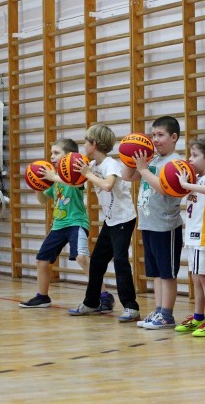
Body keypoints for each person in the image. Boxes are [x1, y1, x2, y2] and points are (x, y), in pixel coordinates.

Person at [67, 124, 140, 322]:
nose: (83, 145)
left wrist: (88, 174)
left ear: (94, 144)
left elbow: (108, 185)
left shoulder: (110, 164)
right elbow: (74, 182)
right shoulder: (93, 165)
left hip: (124, 219)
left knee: (120, 260)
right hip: (111, 220)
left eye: (86, 141)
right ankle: (91, 303)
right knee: (97, 261)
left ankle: (131, 307)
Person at [122, 116, 183, 329]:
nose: (155, 140)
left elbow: (164, 187)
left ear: (174, 137)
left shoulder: (175, 162)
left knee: (167, 273)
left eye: (160, 135)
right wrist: (130, 158)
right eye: (153, 135)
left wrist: (144, 169)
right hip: (148, 224)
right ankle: (159, 311)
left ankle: (167, 314)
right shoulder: (153, 160)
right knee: (156, 273)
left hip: (166, 226)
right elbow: (128, 177)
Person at [19, 139, 91, 308]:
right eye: (51, 153)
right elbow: (44, 200)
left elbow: (76, 183)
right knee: (42, 260)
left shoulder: (76, 173)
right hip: (58, 225)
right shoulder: (53, 179)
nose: (51, 156)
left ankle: (103, 294)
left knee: (82, 258)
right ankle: (42, 297)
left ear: (68, 156)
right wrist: (37, 186)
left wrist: (53, 177)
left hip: (76, 223)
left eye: (56, 153)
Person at [174, 136, 205, 337]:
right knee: (196, 278)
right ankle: (198, 317)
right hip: (192, 235)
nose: (190, 159)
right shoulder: (197, 180)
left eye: (195, 155)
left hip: (203, 235)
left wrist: (188, 186)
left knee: (204, 278)